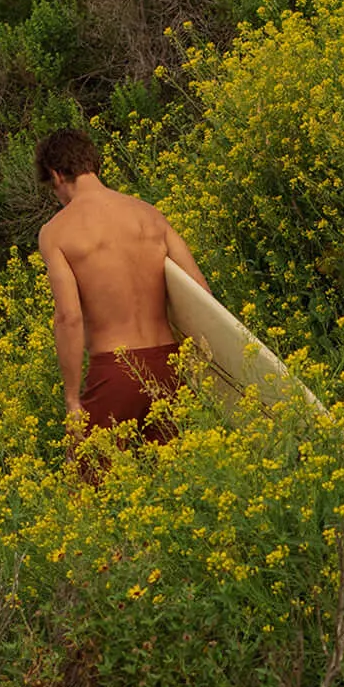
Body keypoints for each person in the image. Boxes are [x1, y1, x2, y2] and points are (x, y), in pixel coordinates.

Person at [35, 126, 203, 451]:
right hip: (170, 366)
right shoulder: (150, 215)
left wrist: (72, 399)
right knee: (172, 483)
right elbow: (199, 293)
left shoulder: (56, 232)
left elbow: (69, 317)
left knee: (87, 487)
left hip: (116, 370)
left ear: (56, 176)